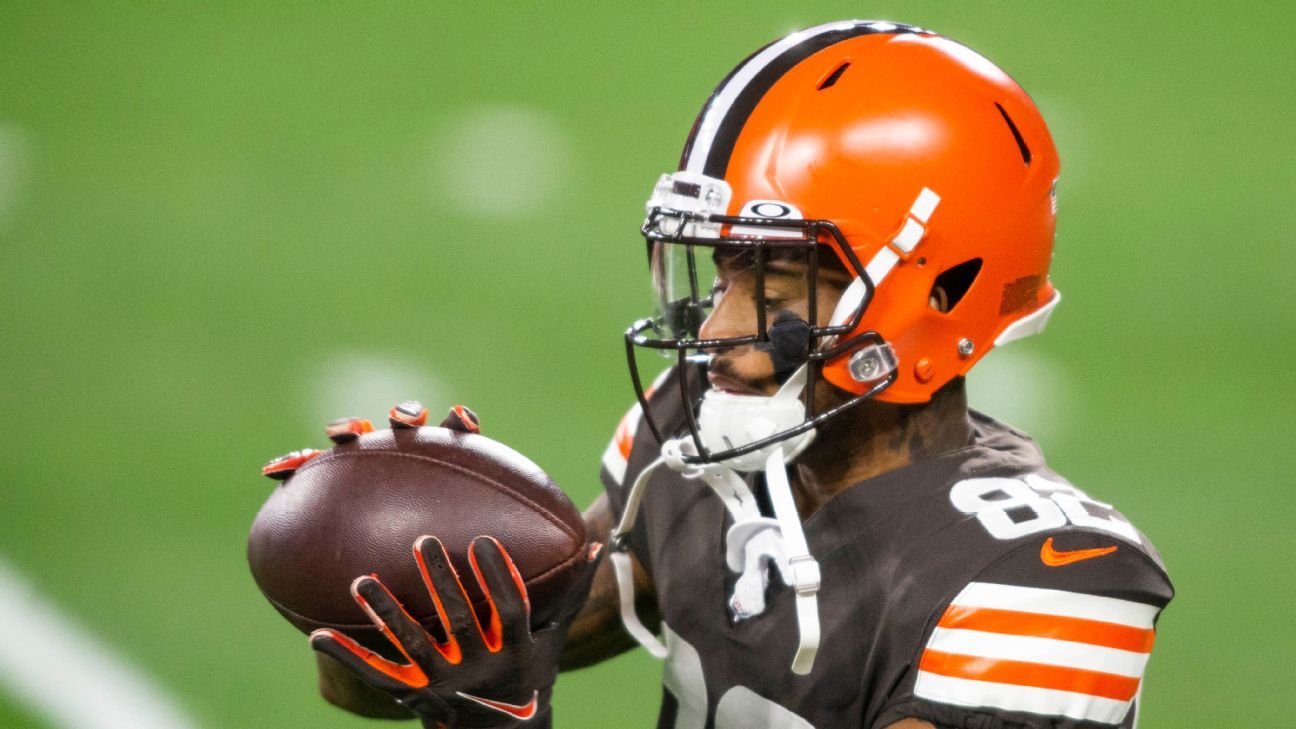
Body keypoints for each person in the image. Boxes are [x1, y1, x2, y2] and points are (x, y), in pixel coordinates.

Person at [311, 20, 1174, 729]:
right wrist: (388, 552)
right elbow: (497, 645)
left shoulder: (1044, 583)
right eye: (722, 275)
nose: (720, 332)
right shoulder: (706, 425)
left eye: (777, 286)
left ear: (938, 293)